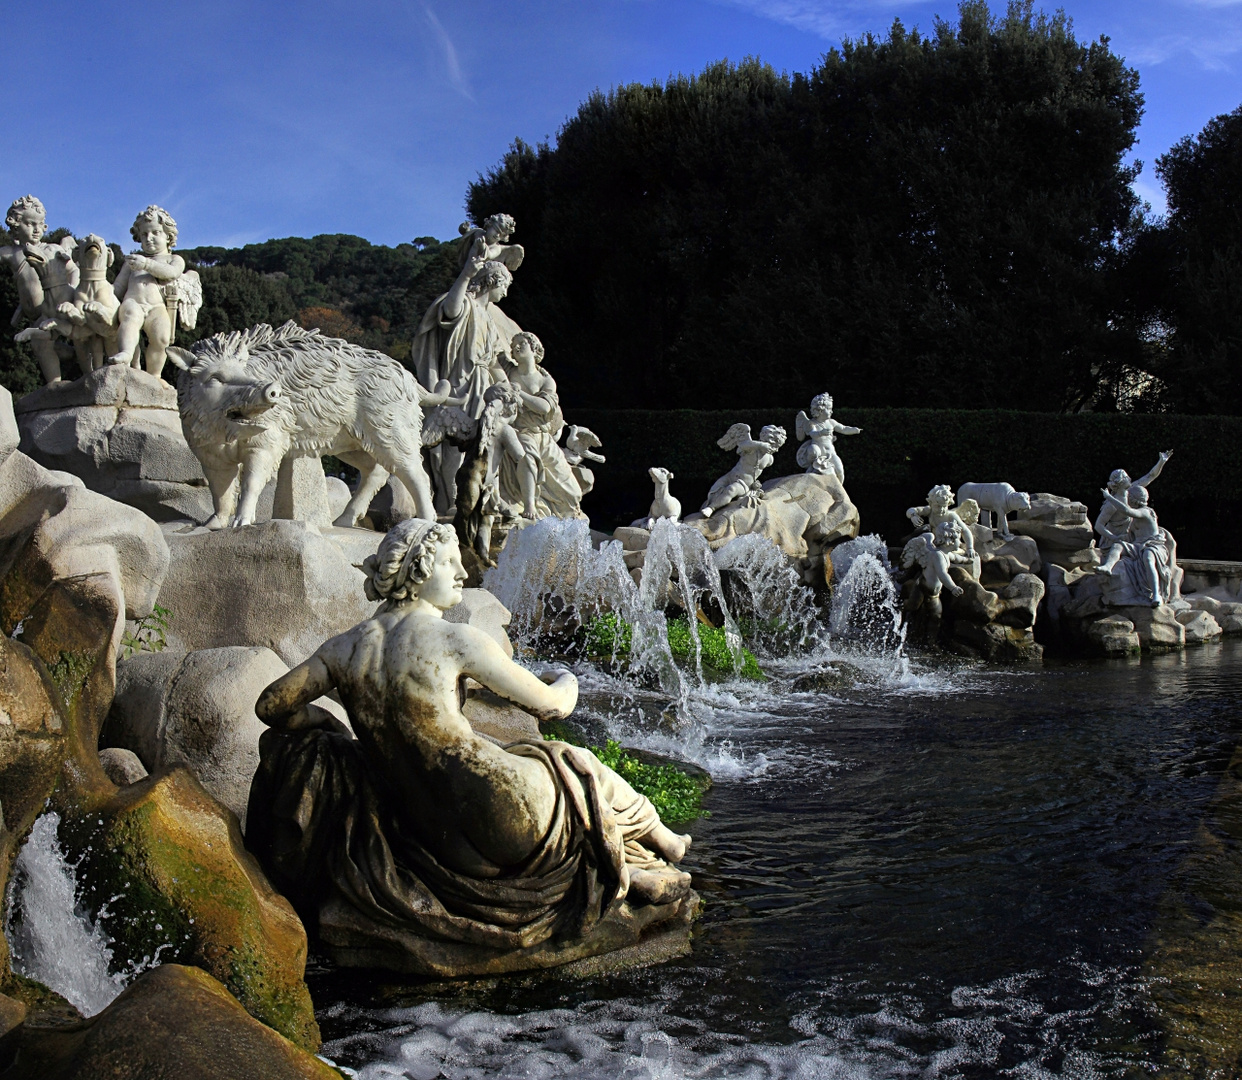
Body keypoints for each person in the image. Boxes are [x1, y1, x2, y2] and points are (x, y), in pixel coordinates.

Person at [247, 519, 692, 970]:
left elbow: (271, 706)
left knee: (542, 764)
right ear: (419, 572)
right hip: (508, 816)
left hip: (433, 842)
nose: (463, 573)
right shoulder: (455, 639)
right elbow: (553, 707)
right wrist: (568, 677)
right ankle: (664, 846)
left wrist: (322, 719)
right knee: (569, 760)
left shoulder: (342, 649)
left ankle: (634, 870)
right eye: (449, 563)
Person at [411, 253, 520, 511]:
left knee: (483, 443)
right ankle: (450, 500)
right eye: (504, 286)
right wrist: (466, 274)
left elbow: (492, 360)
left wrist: (507, 388)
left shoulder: (489, 321)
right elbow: (450, 310)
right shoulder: (468, 305)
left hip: (482, 386)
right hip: (459, 383)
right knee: (454, 445)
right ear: (492, 281)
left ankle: (482, 498)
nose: (505, 293)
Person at [494, 331, 584, 520]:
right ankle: (529, 506)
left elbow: (544, 407)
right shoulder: (509, 371)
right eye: (513, 345)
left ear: (534, 349)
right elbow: (492, 353)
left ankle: (562, 517)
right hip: (522, 432)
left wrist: (519, 394)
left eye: (521, 344)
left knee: (573, 492)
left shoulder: (545, 379)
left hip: (543, 436)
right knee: (529, 459)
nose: (515, 347)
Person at [2, 195, 79, 383]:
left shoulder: (50, 250)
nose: (37, 230)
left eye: (40, 224)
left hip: (57, 307)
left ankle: (55, 384)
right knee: (43, 344)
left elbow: (74, 270)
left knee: (40, 341)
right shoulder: (11, 253)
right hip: (38, 316)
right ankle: (70, 357)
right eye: (30, 224)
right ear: (16, 225)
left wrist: (72, 292)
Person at [109, 205, 186, 378]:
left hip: (157, 307)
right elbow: (118, 288)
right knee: (130, 318)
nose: (149, 238)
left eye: (155, 233)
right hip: (133, 302)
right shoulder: (132, 262)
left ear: (168, 235)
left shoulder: (173, 259)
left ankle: (154, 376)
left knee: (162, 338)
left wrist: (146, 264)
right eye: (144, 234)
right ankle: (126, 354)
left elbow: (171, 273)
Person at [1098, 484, 1177, 606]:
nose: (1126, 499)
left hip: (1153, 546)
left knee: (1148, 558)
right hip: (1138, 546)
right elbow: (1133, 536)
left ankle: (1156, 594)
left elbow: (1126, 510)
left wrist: (1109, 497)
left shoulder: (1145, 512)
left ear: (1133, 499)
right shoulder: (1135, 518)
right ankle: (1108, 567)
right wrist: (1117, 538)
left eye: (1128, 497)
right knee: (1118, 545)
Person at [1096, 450, 1173, 574]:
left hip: (1131, 537)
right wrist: (1114, 537)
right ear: (1120, 482)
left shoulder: (1131, 491)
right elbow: (1098, 525)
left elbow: (1150, 476)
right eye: (1126, 477)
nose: (1130, 478)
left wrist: (1161, 462)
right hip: (1115, 540)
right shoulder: (1111, 504)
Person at [700, 423, 787, 517]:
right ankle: (710, 504)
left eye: (765, 435)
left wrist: (754, 485)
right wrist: (760, 445)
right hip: (730, 476)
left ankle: (711, 508)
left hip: (743, 484)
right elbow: (742, 446)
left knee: (731, 489)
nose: (762, 436)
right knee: (714, 490)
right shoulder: (752, 447)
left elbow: (755, 473)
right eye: (763, 434)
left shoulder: (769, 460)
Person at [795, 393, 860, 483]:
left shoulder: (831, 422)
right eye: (829, 409)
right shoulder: (812, 423)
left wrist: (854, 430)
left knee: (840, 470)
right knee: (813, 450)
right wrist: (821, 433)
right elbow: (812, 434)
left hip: (831, 452)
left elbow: (843, 428)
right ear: (820, 410)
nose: (831, 411)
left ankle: (839, 488)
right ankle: (811, 468)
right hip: (818, 450)